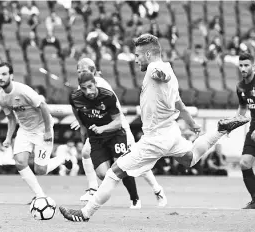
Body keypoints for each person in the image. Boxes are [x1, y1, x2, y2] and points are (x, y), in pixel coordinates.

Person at [59, 34, 250, 222]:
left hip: (155, 138)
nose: (135, 60)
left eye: (138, 55)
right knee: (190, 159)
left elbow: (161, 74)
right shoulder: (170, 73)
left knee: (113, 172)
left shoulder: (155, 69)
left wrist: (159, 73)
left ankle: (85, 213)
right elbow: (179, 103)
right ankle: (220, 130)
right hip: (170, 131)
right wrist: (191, 123)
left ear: (149, 55)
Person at [74, 58, 166, 208]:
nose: (80, 75)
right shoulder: (84, 87)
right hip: (100, 130)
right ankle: (93, 189)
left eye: (83, 71)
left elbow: (106, 109)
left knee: (133, 160)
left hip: (117, 127)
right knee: (86, 152)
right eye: (78, 72)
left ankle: (156, 190)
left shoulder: (99, 85)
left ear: (92, 71)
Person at [69, 71, 142, 209]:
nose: (88, 91)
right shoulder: (75, 97)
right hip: (96, 138)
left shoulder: (107, 96)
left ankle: (134, 198)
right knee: (102, 174)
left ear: (95, 83)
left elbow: (118, 123)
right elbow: (75, 109)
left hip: (115, 134)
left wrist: (103, 128)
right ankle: (102, 190)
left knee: (122, 166)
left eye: (90, 86)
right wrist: (81, 124)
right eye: (84, 88)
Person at [0, 62, 65, 200]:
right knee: (20, 162)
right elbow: (11, 118)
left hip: (42, 128)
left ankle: (62, 159)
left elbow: (43, 107)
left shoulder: (23, 91)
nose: (1, 77)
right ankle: (40, 195)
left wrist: (47, 131)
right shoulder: (1, 98)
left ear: (11, 76)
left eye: (4, 74)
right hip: (25, 130)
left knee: (40, 170)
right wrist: (8, 137)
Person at [236, 53, 255, 209]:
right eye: (241, 65)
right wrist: (233, 123)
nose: (243, 68)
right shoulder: (240, 86)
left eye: (246, 65)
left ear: (253, 66)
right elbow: (243, 107)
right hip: (253, 128)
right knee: (244, 163)